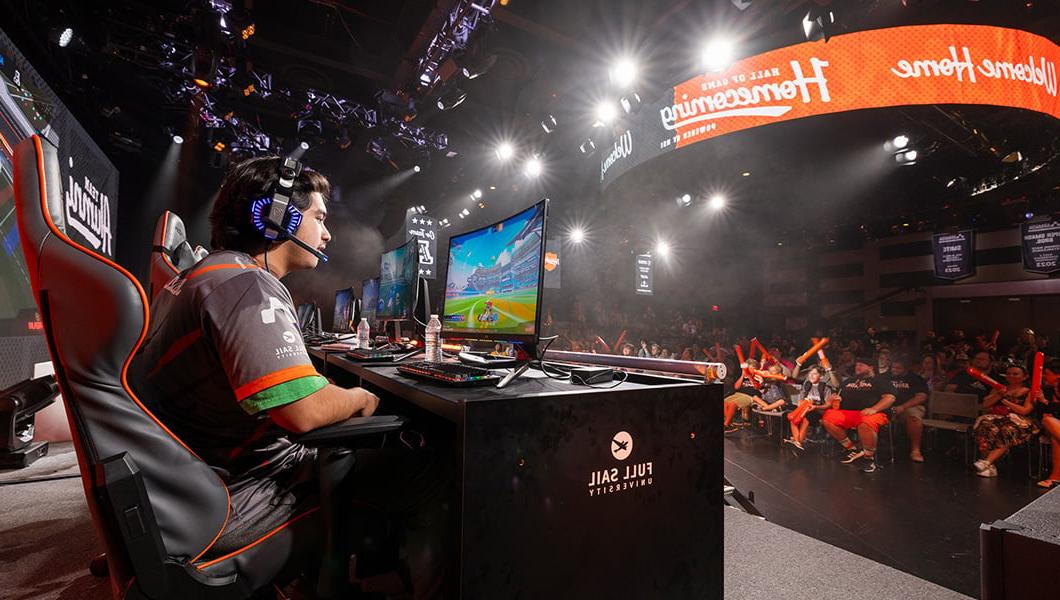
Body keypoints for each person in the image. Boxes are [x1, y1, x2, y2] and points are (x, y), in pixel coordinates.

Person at [130, 157, 449, 597]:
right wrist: (360, 398)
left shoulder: (206, 276)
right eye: (319, 217)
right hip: (237, 497)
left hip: (190, 486)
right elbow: (303, 412)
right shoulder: (245, 284)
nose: (328, 233)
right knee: (431, 474)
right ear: (277, 216)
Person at [821, 356, 896, 473]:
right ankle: (852, 449)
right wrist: (836, 399)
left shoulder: (880, 380)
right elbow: (838, 396)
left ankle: (869, 459)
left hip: (874, 413)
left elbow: (889, 398)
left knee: (865, 422)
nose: (857, 367)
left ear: (871, 367)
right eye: (856, 365)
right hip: (851, 413)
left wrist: (874, 409)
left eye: (861, 365)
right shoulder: (849, 381)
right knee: (828, 417)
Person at [972, 364, 1038, 478]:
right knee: (986, 427)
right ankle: (989, 465)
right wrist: (998, 394)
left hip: (1020, 421)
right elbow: (985, 404)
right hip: (998, 418)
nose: (1011, 376)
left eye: (1015, 374)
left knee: (1007, 430)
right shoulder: (998, 388)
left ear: (1024, 377)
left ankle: (986, 462)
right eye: (1008, 374)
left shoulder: (1029, 391)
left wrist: (1006, 402)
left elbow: (1025, 411)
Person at [785, 363, 839, 450]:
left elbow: (828, 405)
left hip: (819, 411)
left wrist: (815, 407)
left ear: (821, 376)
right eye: (810, 374)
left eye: (814, 374)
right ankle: (797, 440)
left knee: (806, 419)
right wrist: (802, 405)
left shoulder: (825, 388)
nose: (811, 376)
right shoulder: (806, 385)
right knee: (792, 417)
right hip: (806, 409)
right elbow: (801, 400)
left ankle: (799, 441)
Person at [889, 356, 930, 462]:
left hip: (910, 406)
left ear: (906, 369)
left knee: (913, 417)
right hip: (888, 405)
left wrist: (903, 407)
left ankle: (915, 450)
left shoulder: (916, 379)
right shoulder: (885, 377)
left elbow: (921, 396)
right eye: (893, 367)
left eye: (898, 368)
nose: (894, 370)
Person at [1034, 358, 1060, 490]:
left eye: (1047, 373)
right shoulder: (1046, 390)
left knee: (1055, 437)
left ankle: (1055, 477)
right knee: (1048, 423)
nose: (1044, 376)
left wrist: (1046, 403)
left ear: (1058, 376)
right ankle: (1055, 477)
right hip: (1052, 427)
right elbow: (1039, 412)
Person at [724, 359, 762, 433]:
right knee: (725, 402)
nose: (748, 370)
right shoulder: (744, 377)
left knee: (733, 404)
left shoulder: (758, 377)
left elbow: (757, 387)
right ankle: (729, 423)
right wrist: (742, 375)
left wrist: (750, 377)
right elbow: (736, 387)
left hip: (750, 396)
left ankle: (726, 424)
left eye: (750, 368)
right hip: (739, 393)